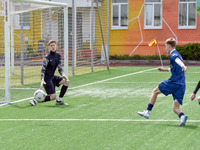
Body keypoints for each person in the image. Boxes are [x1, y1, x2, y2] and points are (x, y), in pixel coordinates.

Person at [138, 37, 188, 126]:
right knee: (175, 108)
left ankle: (148, 112)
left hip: (174, 82)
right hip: (181, 85)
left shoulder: (173, 55)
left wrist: (183, 66)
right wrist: (164, 70)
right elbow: (175, 69)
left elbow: (177, 60)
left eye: (165, 46)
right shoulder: (178, 54)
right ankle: (182, 116)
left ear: (169, 46)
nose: (165, 48)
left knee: (155, 91)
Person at [30, 40, 69, 106]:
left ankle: (59, 101)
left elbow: (60, 68)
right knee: (53, 97)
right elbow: (43, 69)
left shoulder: (58, 56)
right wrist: (42, 79)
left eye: (54, 45)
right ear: (49, 47)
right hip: (47, 79)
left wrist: (63, 74)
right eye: (51, 46)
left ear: (56, 46)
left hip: (52, 77)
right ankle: (35, 100)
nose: (53, 47)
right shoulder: (47, 57)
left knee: (66, 81)